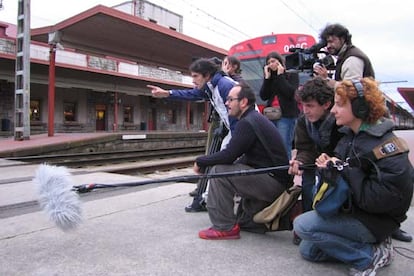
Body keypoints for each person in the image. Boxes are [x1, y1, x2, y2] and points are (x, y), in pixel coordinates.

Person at [293, 77, 413, 275]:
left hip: (377, 220)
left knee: (302, 225)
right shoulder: (351, 137)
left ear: (360, 108)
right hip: (359, 213)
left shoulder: (386, 147)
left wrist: (342, 169)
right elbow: (345, 175)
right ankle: (373, 245)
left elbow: (378, 200)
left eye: (339, 105)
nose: (333, 110)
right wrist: (329, 168)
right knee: (309, 250)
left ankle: (369, 256)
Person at [313, 23, 412, 242]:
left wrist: (340, 170)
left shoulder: (352, 59)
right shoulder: (352, 137)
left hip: (378, 215)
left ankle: (380, 233)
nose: (328, 46)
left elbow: (352, 90)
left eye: (331, 41)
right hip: (371, 210)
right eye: (326, 41)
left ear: (343, 39)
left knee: (307, 227)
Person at [195, 84, 290, 239]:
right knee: (245, 221)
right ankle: (247, 221)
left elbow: (228, 155)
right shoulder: (254, 119)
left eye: (231, 99)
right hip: (274, 181)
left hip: (273, 184)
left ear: (243, 102)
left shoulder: (247, 122)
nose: (227, 103)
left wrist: (201, 161)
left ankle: (223, 227)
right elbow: (241, 157)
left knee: (219, 172)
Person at [147, 57, 237, 212]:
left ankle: (212, 201)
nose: (193, 80)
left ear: (207, 75)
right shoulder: (212, 86)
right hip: (236, 131)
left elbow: (240, 113)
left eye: (195, 76)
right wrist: (167, 93)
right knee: (219, 164)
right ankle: (208, 200)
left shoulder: (224, 85)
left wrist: (238, 141)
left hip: (241, 131)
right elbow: (192, 94)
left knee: (222, 163)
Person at [288, 77, 343, 244]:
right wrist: (299, 162)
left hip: (340, 164)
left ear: (326, 104)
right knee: (307, 183)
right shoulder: (303, 122)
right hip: (317, 161)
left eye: (310, 106)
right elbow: (305, 149)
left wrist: (333, 159)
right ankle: (306, 223)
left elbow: (348, 147)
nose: (305, 110)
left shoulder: (340, 121)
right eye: (303, 105)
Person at [259, 51, 300, 160]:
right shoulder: (270, 78)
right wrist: (267, 79)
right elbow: (263, 96)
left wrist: (280, 76)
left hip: (286, 116)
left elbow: (289, 93)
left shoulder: (291, 74)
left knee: (284, 144)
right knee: (272, 145)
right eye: (269, 62)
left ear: (280, 62)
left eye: (273, 61)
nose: (271, 64)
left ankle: (286, 171)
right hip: (271, 115)